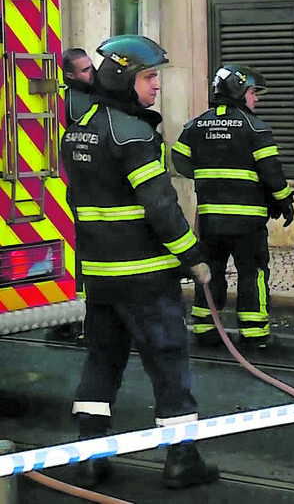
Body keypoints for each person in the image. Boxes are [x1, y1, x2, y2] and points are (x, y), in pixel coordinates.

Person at [60, 35, 219, 489]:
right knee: (168, 361)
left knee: (102, 363)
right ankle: (181, 458)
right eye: (149, 78)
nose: (156, 88)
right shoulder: (132, 134)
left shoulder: (82, 127)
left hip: (101, 276)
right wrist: (193, 258)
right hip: (144, 276)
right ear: (124, 79)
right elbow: (161, 207)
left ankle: (90, 455)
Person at [172, 64, 294, 351]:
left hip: (211, 220)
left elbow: (179, 161)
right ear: (239, 91)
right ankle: (253, 335)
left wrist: (208, 175)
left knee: (210, 271)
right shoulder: (255, 127)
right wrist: (284, 200)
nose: (257, 99)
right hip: (247, 222)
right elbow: (272, 173)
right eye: (253, 92)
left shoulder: (195, 125)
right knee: (252, 272)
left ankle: (205, 329)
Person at [47, 48, 99, 343]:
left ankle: (74, 315)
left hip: (71, 188)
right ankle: (82, 317)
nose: (91, 74)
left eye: (91, 68)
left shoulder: (67, 100)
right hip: (81, 188)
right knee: (84, 254)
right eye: (85, 70)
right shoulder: (79, 104)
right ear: (69, 75)